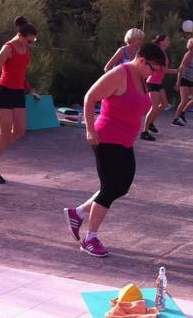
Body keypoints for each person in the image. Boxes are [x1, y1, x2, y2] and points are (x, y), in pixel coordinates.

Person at [63, 42, 166, 257]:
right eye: (153, 68)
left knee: (122, 186)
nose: (154, 74)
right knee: (110, 188)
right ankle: (90, 239)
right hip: (106, 138)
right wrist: (90, 130)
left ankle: (78, 212)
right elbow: (90, 97)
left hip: (125, 141)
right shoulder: (120, 74)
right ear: (141, 61)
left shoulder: (142, 77)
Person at [0, 16, 40, 184]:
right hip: (3, 91)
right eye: (29, 41)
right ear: (20, 35)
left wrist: (29, 89)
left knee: (20, 130)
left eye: (34, 41)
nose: (31, 44)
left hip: (18, 92)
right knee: (5, 132)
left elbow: (19, 72)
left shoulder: (25, 47)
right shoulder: (8, 48)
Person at [140, 34, 177, 141]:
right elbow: (164, 70)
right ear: (161, 42)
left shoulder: (163, 52)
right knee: (154, 107)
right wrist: (178, 70)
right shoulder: (159, 52)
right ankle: (144, 132)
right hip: (152, 82)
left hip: (158, 82)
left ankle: (150, 122)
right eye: (167, 40)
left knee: (165, 104)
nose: (169, 41)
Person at [172, 37, 193, 127]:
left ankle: (183, 112)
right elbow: (181, 68)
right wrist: (178, 82)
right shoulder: (188, 54)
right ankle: (175, 119)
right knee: (184, 100)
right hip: (184, 79)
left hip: (192, 81)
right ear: (192, 45)